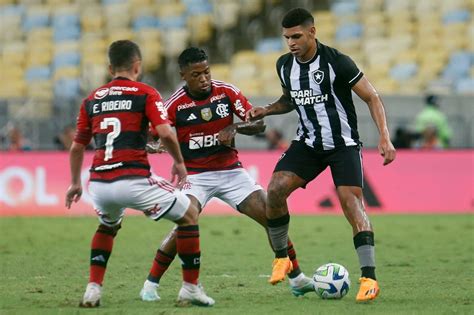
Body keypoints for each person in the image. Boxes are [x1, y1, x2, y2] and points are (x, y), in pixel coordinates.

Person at [139, 47, 314, 301]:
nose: (204, 78)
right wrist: (155, 146)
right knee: (185, 221)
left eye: (207, 72)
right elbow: (153, 135)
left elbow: (259, 123)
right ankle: (151, 284)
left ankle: (297, 279)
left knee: (271, 216)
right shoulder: (175, 103)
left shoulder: (226, 92)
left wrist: (236, 127)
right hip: (195, 176)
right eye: (196, 74)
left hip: (231, 172)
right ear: (183, 75)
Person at [246, 8, 396, 302]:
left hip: (343, 145)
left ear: (312, 32)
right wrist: (267, 109)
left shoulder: (336, 61)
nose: (291, 42)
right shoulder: (284, 65)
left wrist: (384, 136)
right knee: (274, 189)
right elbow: (290, 100)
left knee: (351, 205)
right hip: (308, 144)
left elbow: (372, 96)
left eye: (297, 36)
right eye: (287, 37)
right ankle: (281, 257)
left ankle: (369, 279)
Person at [65, 40, 214, 308]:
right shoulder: (145, 92)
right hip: (133, 179)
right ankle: (190, 287)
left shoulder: (92, 99)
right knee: (190, 215)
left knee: (108, 226)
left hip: (98, 183)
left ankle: (93, 290)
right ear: (138, 65)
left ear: (110, 68)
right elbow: (166, 133)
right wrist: (180, 164)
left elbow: (77, 146)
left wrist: (75, 183)